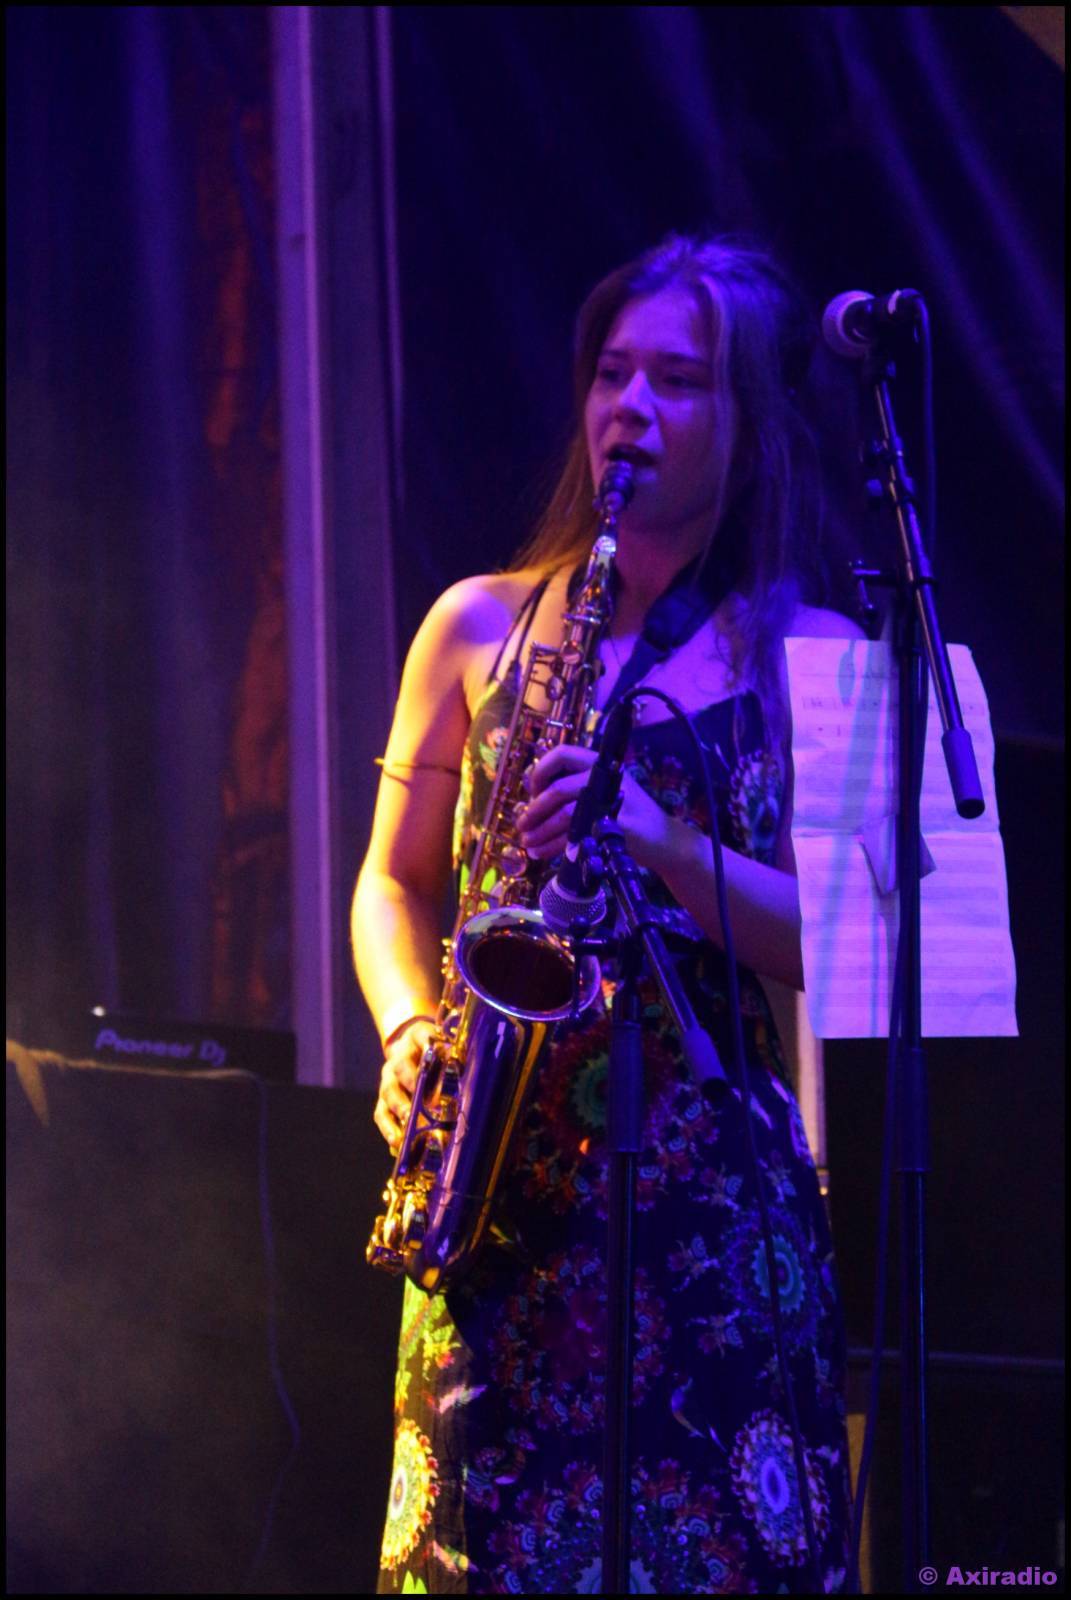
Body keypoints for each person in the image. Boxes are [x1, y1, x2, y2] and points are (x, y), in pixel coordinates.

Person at [352, 233, 865, 1595]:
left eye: (678, 381)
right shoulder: (477, 628)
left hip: (712, 1208)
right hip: (498, 1192)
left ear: (751, 423)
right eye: (612, 373)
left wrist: (658, 836)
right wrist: (405, 1029)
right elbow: (394, 880)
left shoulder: (813, 654)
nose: (629, 406)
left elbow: (851, 947)